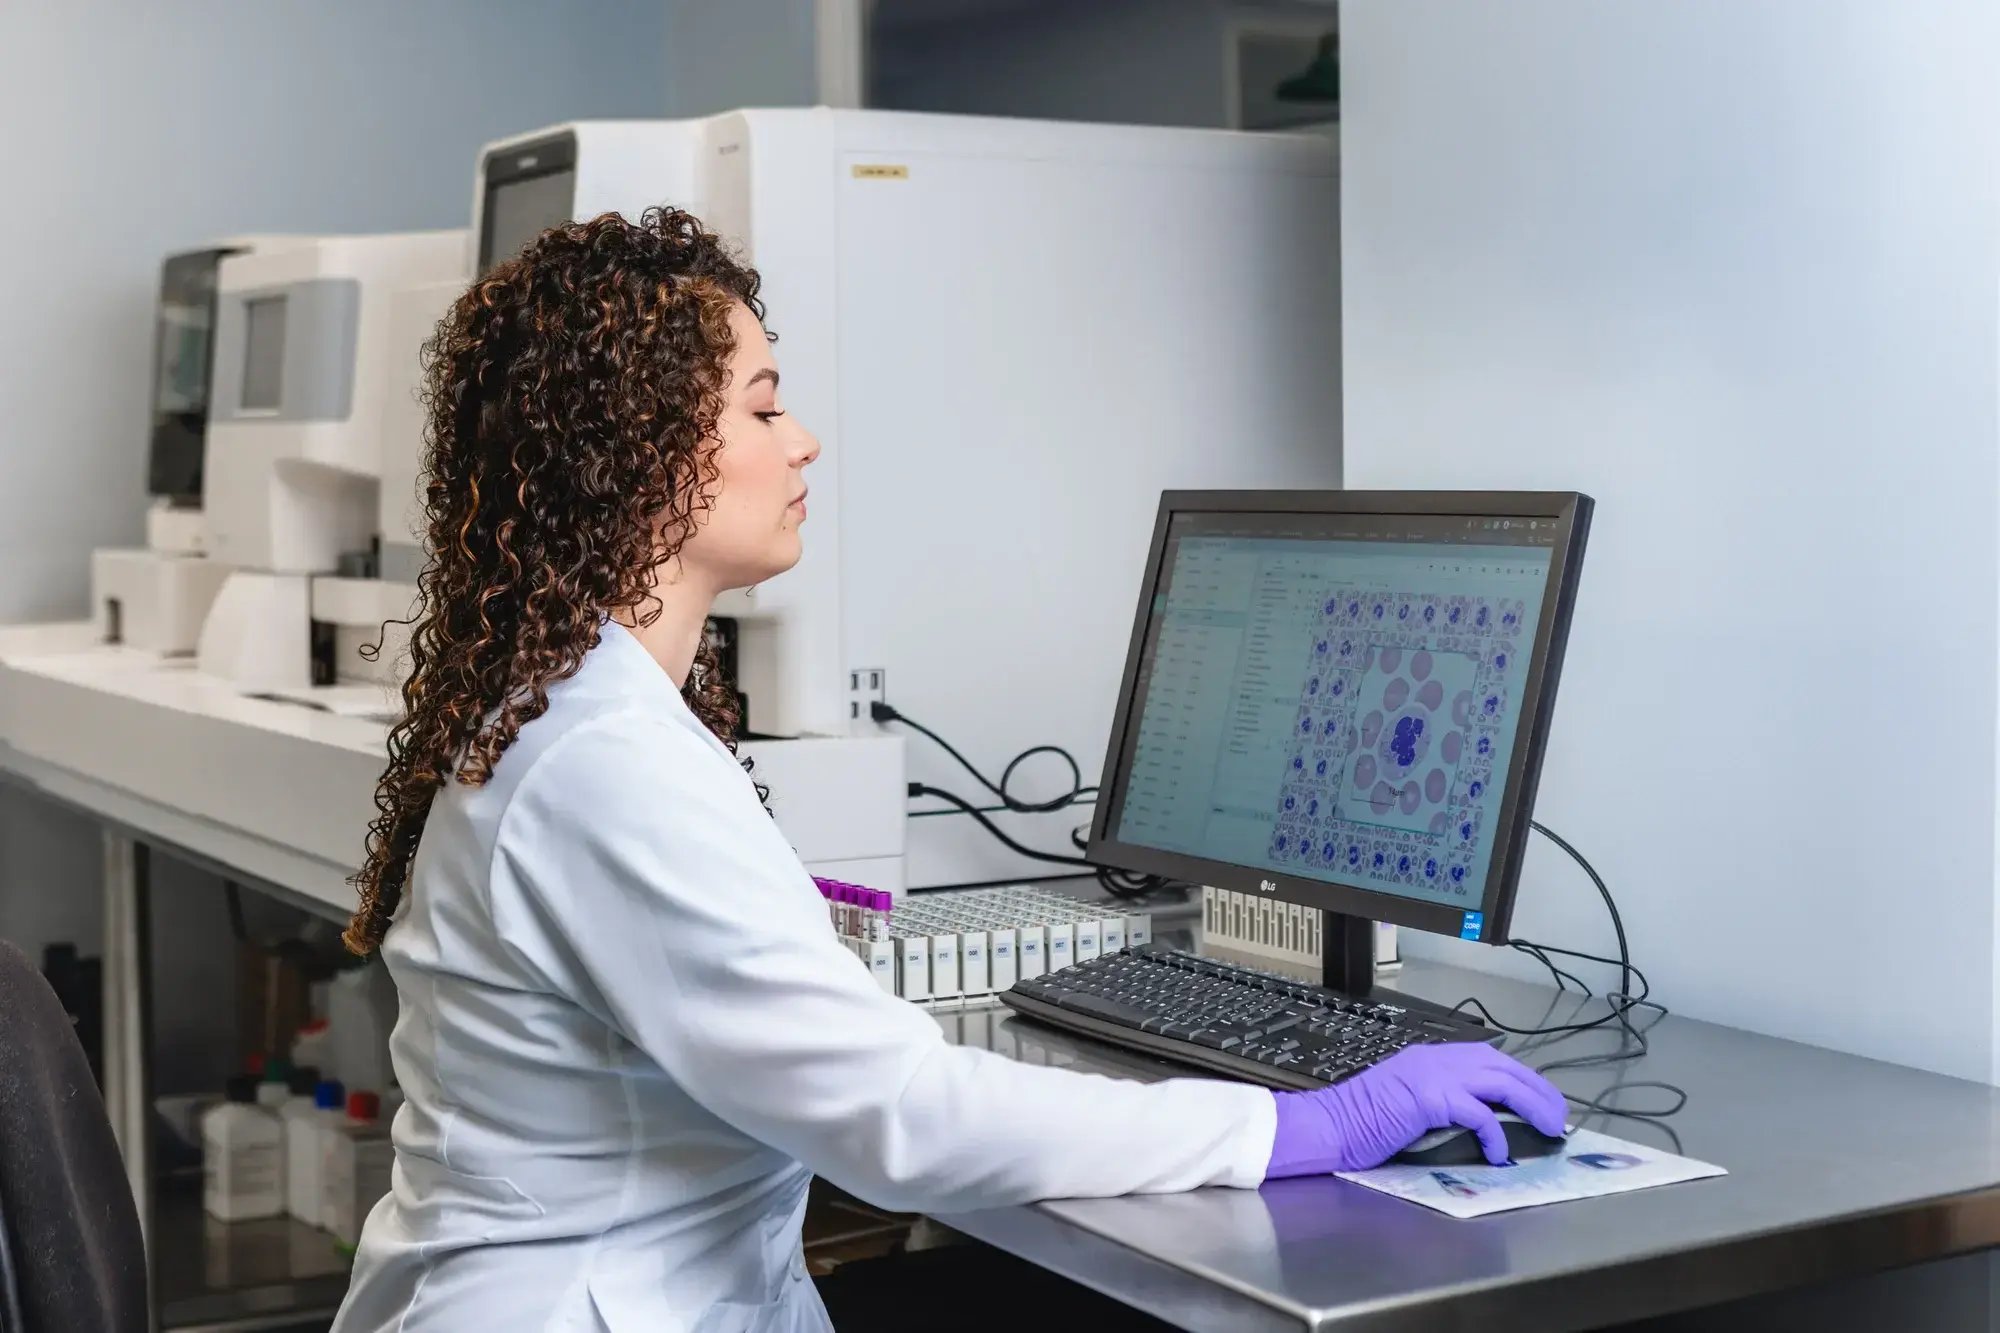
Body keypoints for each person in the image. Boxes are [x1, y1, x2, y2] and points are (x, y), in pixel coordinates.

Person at [327, 208, 1567, 1332]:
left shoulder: (575, 711)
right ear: (641, 451)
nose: (802, 441)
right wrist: (1305, 1121)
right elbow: (902, 1119)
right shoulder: (604, 761)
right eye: (762, 409)